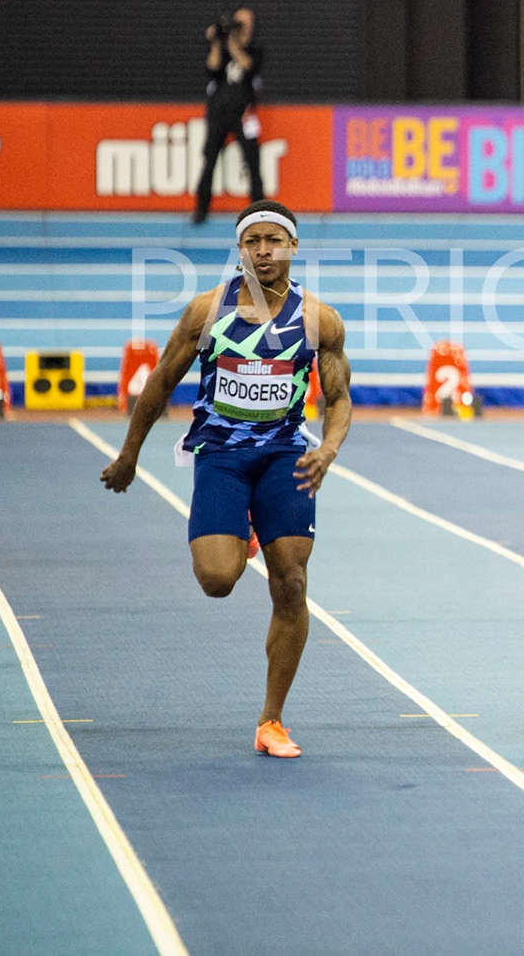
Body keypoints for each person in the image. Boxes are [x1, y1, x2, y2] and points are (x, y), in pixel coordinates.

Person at [100, 200, 352, 758]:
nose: (263, 251)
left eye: (274, 241)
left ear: (291, 247)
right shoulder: (206, 312)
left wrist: (329, 448)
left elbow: (338, 398)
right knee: (218, 579)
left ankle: (271, 721)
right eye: (252, 241)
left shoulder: (319, 320)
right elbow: (161, 384)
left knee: (291, 581)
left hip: (286, 455)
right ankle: (245, 534)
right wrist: (129, 456)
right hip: (220, 455)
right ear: (239, 249)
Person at [194, 8, 266, 225]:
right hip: (219, 113)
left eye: (246, 22)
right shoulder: (223, 49)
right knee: (209, 161)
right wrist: (217, 40)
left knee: (253, 162)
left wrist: (233, 43)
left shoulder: (255, 50)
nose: (242, 26)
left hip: (244, 115)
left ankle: (259, 211)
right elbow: (212, 67)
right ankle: (201, 209)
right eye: (239, 22)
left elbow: (248, 65)